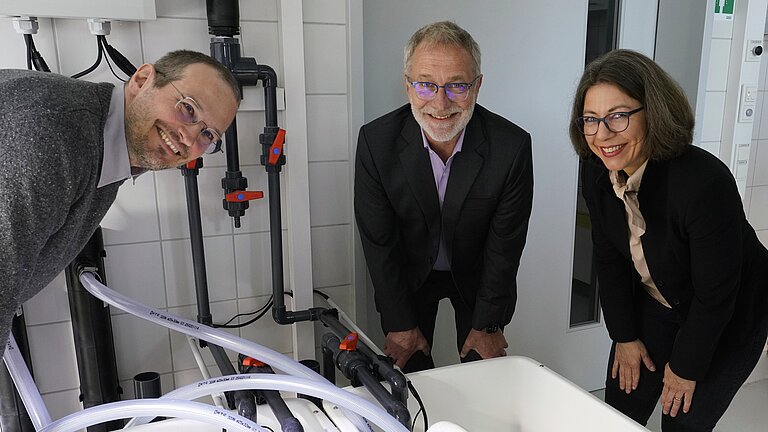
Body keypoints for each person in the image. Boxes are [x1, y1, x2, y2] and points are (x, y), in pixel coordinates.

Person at [569, 49, 768, 431]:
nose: (602, 134)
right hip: (658, 301)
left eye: (619, 115)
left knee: (681, 422)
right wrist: (624, 337)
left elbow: (716, 295)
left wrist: (684, 367)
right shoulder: (597, 172)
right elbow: (609, 259)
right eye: (591, 119)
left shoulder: (704, 183)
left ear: (654, 111)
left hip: (728, 313)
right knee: (617, 413)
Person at [0, 50, 240, 351]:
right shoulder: (57, 134)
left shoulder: (104, 151)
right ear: (142, 80)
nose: (189, 139)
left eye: (208, 134)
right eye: (188, 109)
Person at [354, 21, 533, 372]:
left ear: (477, 85)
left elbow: (505, 246)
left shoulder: (511, 147)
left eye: (457, 85)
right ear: (407, 86)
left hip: (478, 276)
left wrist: (489, 325)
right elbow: (379, 244)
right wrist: (400, 323)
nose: (440, 102)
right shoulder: (376, 144)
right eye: (425, 85)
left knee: (486, 373)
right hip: (409, 277)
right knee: (409, 379)